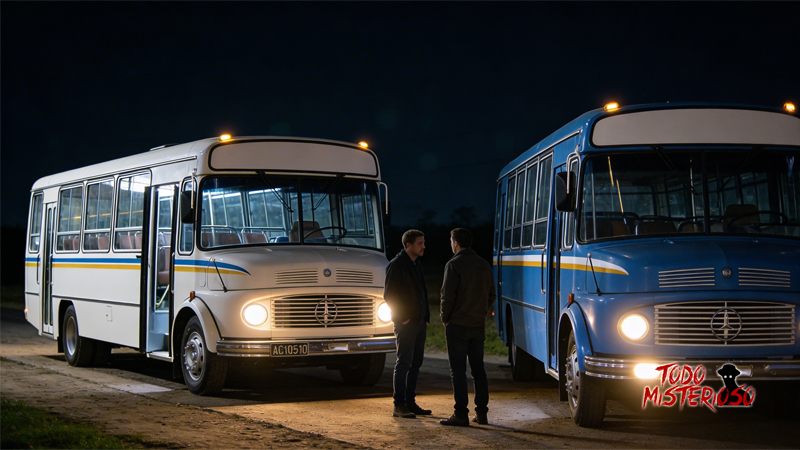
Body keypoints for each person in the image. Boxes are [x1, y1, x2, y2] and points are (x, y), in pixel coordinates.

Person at [439, 228, 496, 427]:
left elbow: (448, 296)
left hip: (457, 325)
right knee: (478, 370)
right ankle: (482, 413)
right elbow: (492, 294)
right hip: (477, 325)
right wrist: (482, 312)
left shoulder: (453, 265)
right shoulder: (484, 264)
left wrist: (445, 318)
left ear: (455, 243)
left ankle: (460, 414)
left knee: (458, 371)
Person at [384, 229, 432, 419]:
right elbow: (389, 295)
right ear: (408, 245)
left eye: (423, 242)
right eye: (420, 243)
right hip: (406, 323)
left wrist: (425, 317)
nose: (424, 246)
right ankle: (399, 404)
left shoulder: (416, 264)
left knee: (415, 363)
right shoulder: (396, 265)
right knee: (404, 363)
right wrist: (403, 318)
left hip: (419, 322)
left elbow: (423, 292)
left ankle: (410, 402)